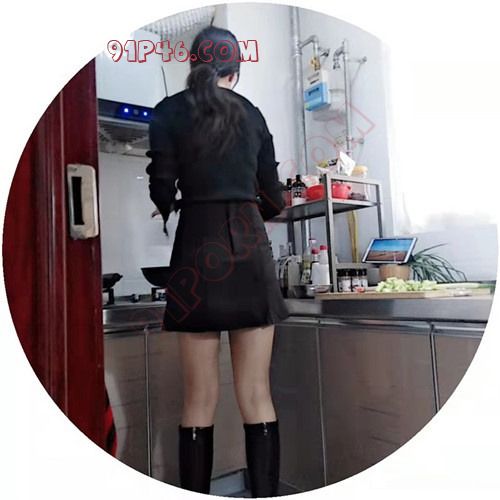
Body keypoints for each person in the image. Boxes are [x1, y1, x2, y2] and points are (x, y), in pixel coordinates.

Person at [145, 25, 290, 497]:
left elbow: (161, 188)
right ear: (235, 69)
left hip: (196, 250)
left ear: (193, 65)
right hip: (248, 251)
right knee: (257, 394)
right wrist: (253, 203)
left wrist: (171, 203)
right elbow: (275, 198)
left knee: (198, 398)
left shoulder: (168, 112)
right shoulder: (253, 115)